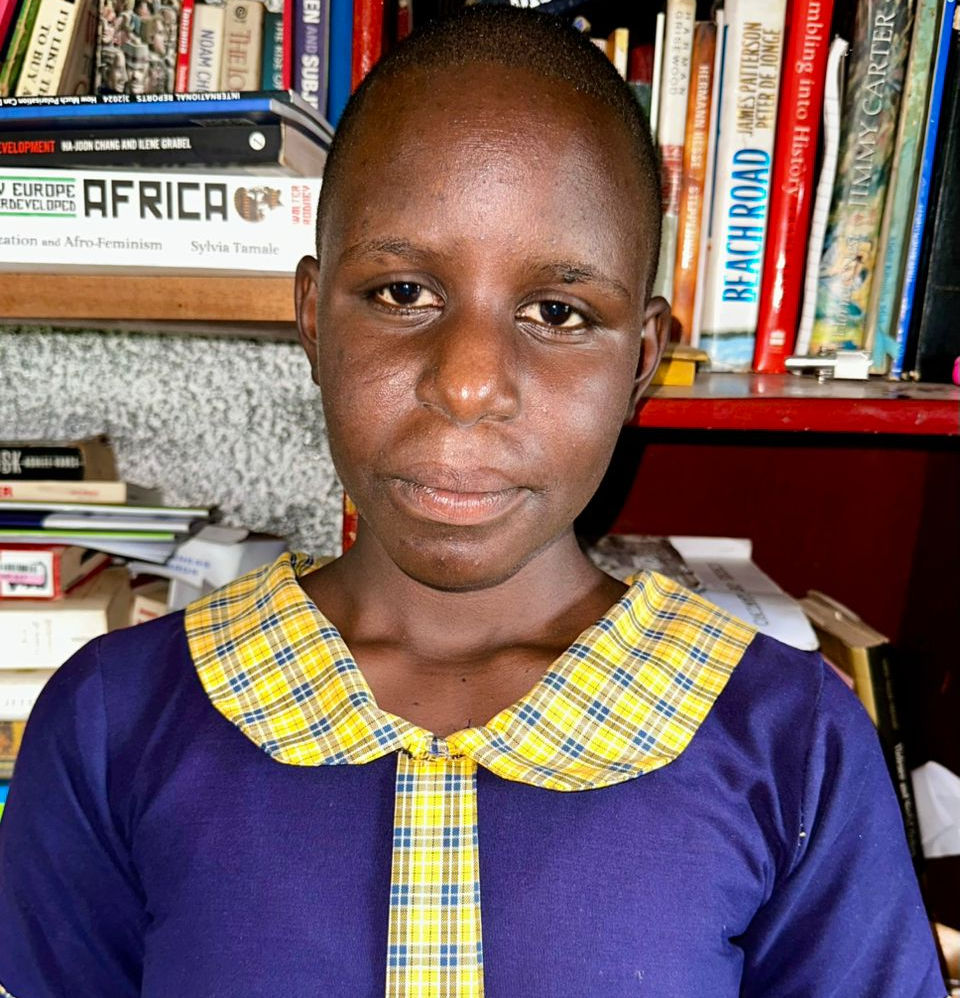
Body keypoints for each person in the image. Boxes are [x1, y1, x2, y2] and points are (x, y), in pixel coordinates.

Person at [0, 7, 947, 997]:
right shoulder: (115, 722)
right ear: (313, 318)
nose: (467, 384)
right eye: (403, 293)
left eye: (557, 312)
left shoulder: (788, 742)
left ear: (640, 362)